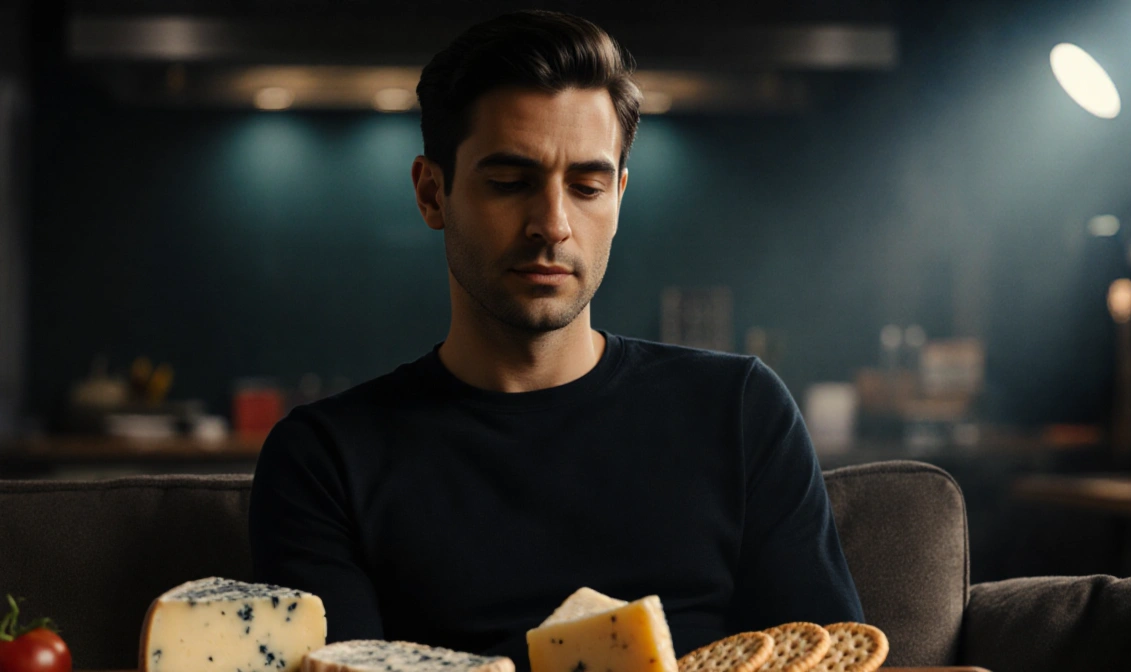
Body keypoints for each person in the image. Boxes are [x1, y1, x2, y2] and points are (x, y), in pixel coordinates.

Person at [249, 9, 863, 671]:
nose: (553, 224)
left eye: (587, 185)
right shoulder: (323, 461)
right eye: (510, 183)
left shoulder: (740, 411)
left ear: (619, 197)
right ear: (432, 194)